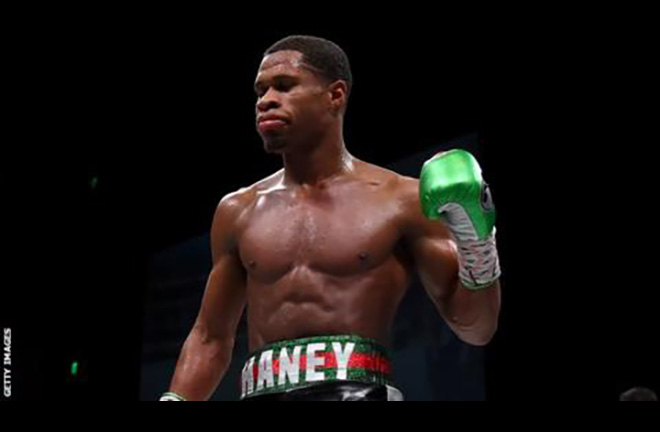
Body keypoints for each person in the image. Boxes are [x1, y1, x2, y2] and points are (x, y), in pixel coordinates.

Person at [160, 35, 502, 401]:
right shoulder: (238, 210)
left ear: (335, 95)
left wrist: (476, 239)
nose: (266, 101)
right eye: (260, 91)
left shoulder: (400, 200)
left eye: (284, 86)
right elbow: (210, 339)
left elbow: (476, 328)